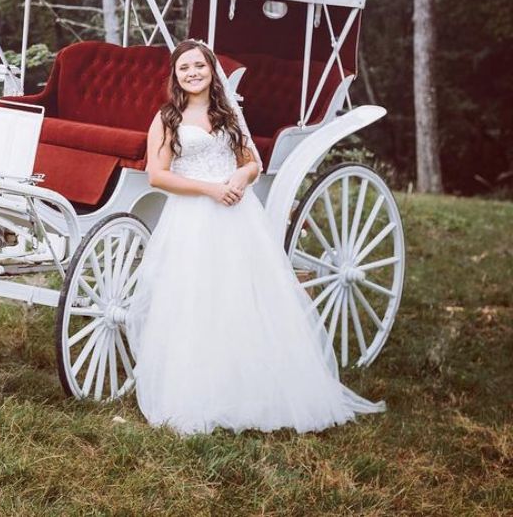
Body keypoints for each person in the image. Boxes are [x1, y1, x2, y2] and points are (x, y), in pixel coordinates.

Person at [125, 39, 385, 434]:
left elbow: (253, 163)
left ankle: (251, 386)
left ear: (212, 71)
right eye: (184, 68)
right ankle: (195, 390)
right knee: (194, 297)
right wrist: (210, 189)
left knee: (241, 294)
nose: (192, 73)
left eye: (199, 65)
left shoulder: (228, 114)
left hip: (236, 212)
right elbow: (157, 175)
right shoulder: (167, 118)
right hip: (193, 214)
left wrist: (236, 179)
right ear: (175, 76)